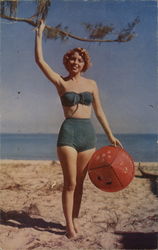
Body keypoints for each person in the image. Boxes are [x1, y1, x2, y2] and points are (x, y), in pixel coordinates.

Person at [35, 20, 122, 238]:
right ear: (67, 62)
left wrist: (111, 135)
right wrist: (39, 34)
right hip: (69, 134)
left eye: (79, 59)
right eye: (72, 59)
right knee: (70, 182)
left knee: (81, 184)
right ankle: (69, 226)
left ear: (84, 64)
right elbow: (40, 60)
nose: (75, 62)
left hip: (87, 135)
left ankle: (74, 218)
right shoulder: (60, 82)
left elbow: (100, 112)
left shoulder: (92, 85)